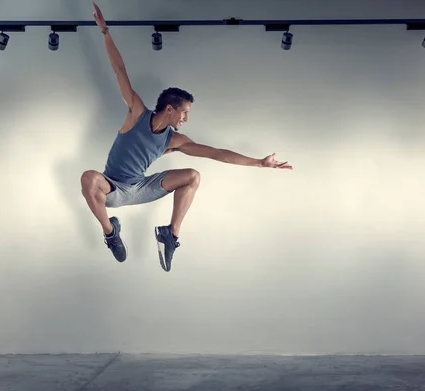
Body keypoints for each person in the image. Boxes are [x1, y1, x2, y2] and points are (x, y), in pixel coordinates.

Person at [80, 2, 293, 272]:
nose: (186, 119)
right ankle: (111, 233)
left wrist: (259, 163)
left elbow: (217, 153)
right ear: (169, 109)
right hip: (112, 188)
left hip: (141, 187)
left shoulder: (174, 140)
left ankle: (170, 234)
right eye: (184, 112)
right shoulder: (136, 112)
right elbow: (120, 72)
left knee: (193, 176)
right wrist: (105, 32)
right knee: (88, 177)